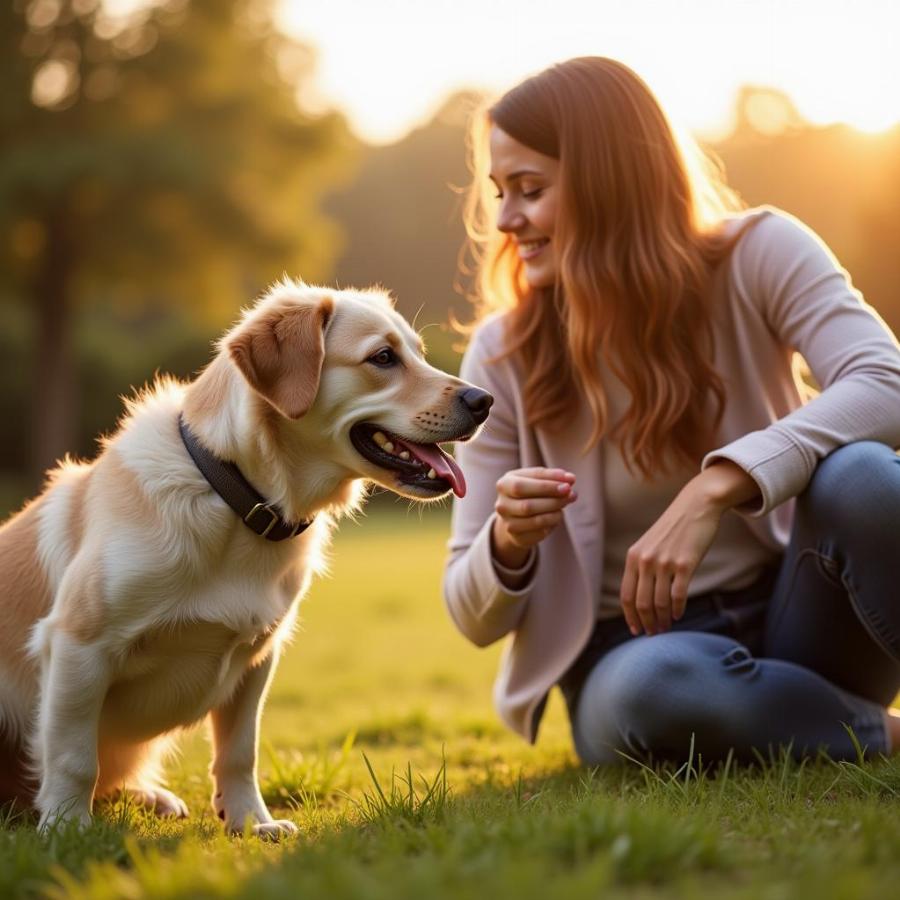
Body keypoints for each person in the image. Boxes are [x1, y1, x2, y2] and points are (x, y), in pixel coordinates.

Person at [442, 56, 900, 766]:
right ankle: (867, 731)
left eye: (529, 190)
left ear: (608, 185)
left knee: (865, 476)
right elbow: (469, 616)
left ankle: (802, 717)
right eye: (501, 192)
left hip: (800, 612)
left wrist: (717, 485)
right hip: (636, 657)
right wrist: (506, 541)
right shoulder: (503, 355)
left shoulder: (760, 252)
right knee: (652, 692)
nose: (506, 219)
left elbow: (885, 381)